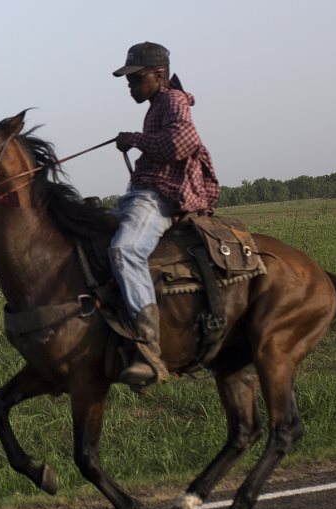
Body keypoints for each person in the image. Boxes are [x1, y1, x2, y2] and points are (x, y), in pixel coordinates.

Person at [108, 41, 220, 389]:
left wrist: (136, 139)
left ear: (159, 75)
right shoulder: (157, 103)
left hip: (159, 197)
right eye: (128, 79)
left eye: (136, 78)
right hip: (142, 194)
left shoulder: (172, 100)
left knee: (124, 250)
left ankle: (148, 349)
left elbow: (181, 144)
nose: (130, 85)